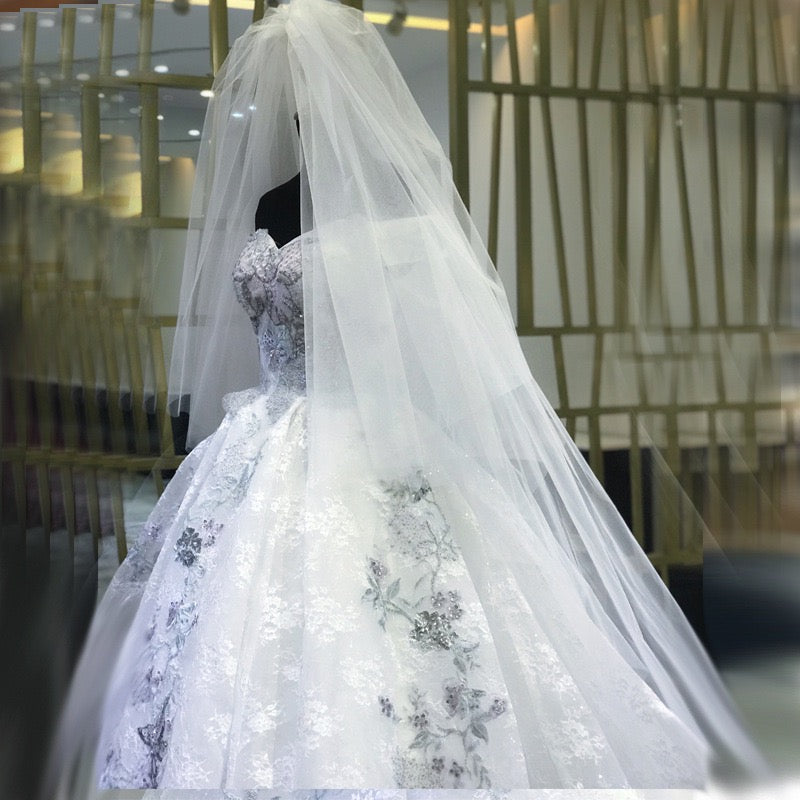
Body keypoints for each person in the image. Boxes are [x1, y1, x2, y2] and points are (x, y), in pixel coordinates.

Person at [48, 0, 770, 792]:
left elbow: (430, 335)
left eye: (307, 90)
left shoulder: (392, 202)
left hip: (365, 435)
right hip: (264, 435)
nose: (298, 109)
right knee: (239, 605)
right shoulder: (269, 202)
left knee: (392, 607)